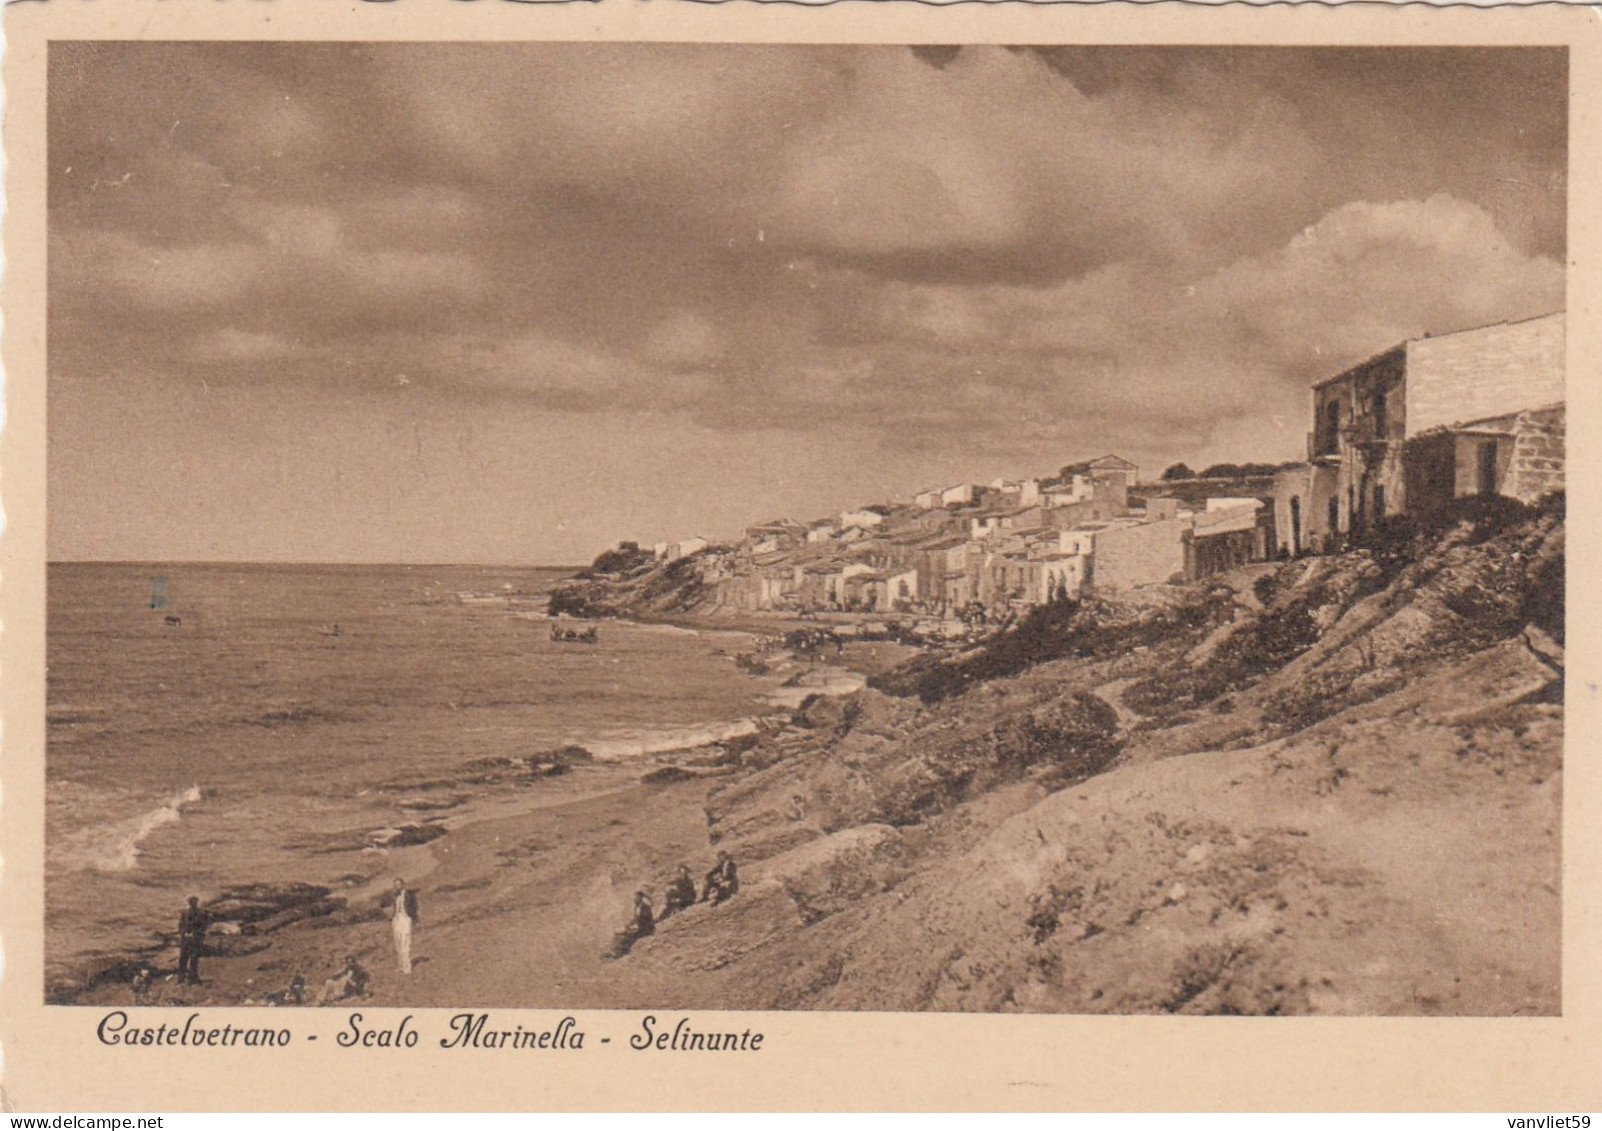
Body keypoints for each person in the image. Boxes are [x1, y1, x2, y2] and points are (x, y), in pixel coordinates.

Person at [606, 891, 655, 959]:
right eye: (634, 897)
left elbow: (646, 920)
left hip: (646, 929)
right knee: (619, 933)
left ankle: (621, 952)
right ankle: (613, 950)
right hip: (640, 927)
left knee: (630, 935)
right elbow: (636, 918)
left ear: (641, 898)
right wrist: (628, 925)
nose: (634, 899)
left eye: (636, 897)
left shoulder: (645, 907)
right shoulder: (637, 906)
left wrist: (636, 926)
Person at [386, 878, 420, 974]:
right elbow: (393, 908)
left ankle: (407, 967)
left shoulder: (409, 895)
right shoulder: (395, 896)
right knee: (398, 943)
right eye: (395, 885)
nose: (397, 887)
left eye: (399, 884)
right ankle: (401, 965)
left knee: (405, 942)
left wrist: (415, 920)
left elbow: (415, 907)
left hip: (406, 919)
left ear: (403, 885)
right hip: (397, 919)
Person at [176, 896, 209, 984]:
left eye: (194, 902)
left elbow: (204, 926)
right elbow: (180, 925)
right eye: (191, 902)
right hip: (186, 939)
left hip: (196, 939)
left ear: (196, 902)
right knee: (183, 958)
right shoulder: (184, 913)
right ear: (189, 903)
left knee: (194, 958)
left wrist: (196, 934)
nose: (192, 903)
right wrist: (184, 933)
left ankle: (193, 978)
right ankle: (181, 978)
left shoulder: (201, 913)